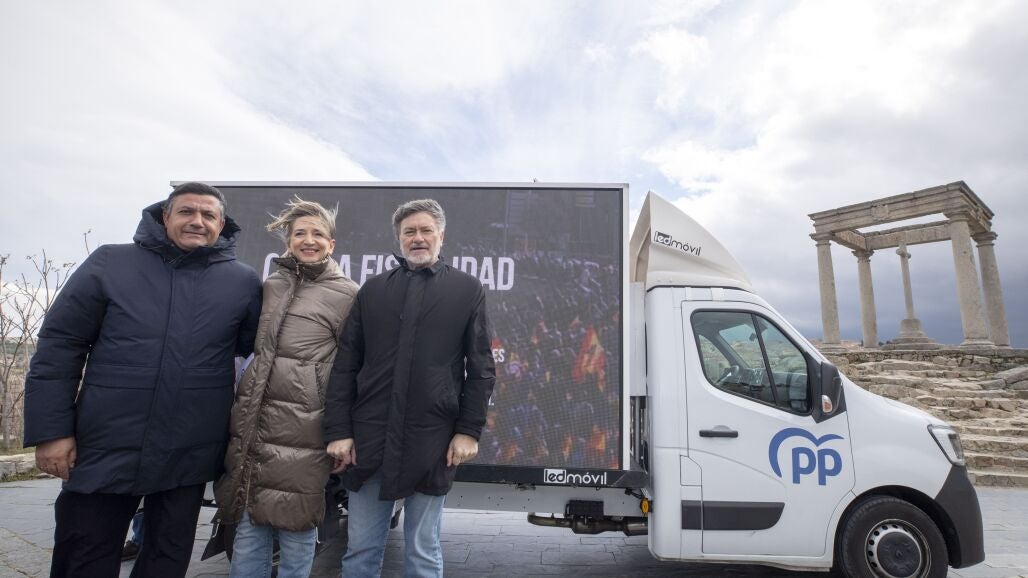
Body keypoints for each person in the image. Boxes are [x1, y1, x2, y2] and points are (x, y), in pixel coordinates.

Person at [23, 182, 262, 578]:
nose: (197, 221)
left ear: (221, 225)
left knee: (167, 557)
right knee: (84, 553)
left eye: (208, 215)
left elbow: (251, 346)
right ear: (164, 217)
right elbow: (61, 345)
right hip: (106, 442)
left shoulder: (242, 281)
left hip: (190, 448)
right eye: (186, 211)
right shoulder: (110, 262)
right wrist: (52, 431)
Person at [324, 198, 496, 577]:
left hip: (432, 441)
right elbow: (346, 365)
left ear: (441, 236)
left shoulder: (467, 289)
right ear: (399, 238)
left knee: (423, 551)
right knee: (361, 551)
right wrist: (339, 431)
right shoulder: (372, 291)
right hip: (369, 438)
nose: (418, 238)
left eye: (425, 230)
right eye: (409, 232)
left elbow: (481, 368)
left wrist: (468, 431)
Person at [215, 198, 358, 578]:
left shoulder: (348, 294)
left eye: (318, 234)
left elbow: (352, 369)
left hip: (305, 431)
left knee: (297, 531)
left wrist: (343, 433)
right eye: (300, 233)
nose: (308, 240)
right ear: (288, 240)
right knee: (248, 533)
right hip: (254, 429)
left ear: (331, 244)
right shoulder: (272, 286)